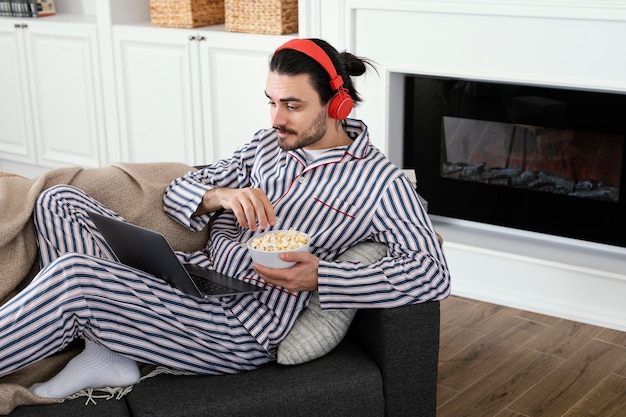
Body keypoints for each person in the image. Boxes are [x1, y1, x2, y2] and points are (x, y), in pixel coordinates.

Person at [0, 38, 450, 399]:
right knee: (57, 199)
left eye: (292, 106)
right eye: (270, 101)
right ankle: (110, 351)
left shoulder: (380, 184)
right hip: (195, 279)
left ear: (338, 105)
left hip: (242, 326)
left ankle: (108, 336)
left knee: (75, 277)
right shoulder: (265, 145)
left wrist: (323, 279)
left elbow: (432, 273)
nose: (277, 118)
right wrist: (221, 196)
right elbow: (181, 192)